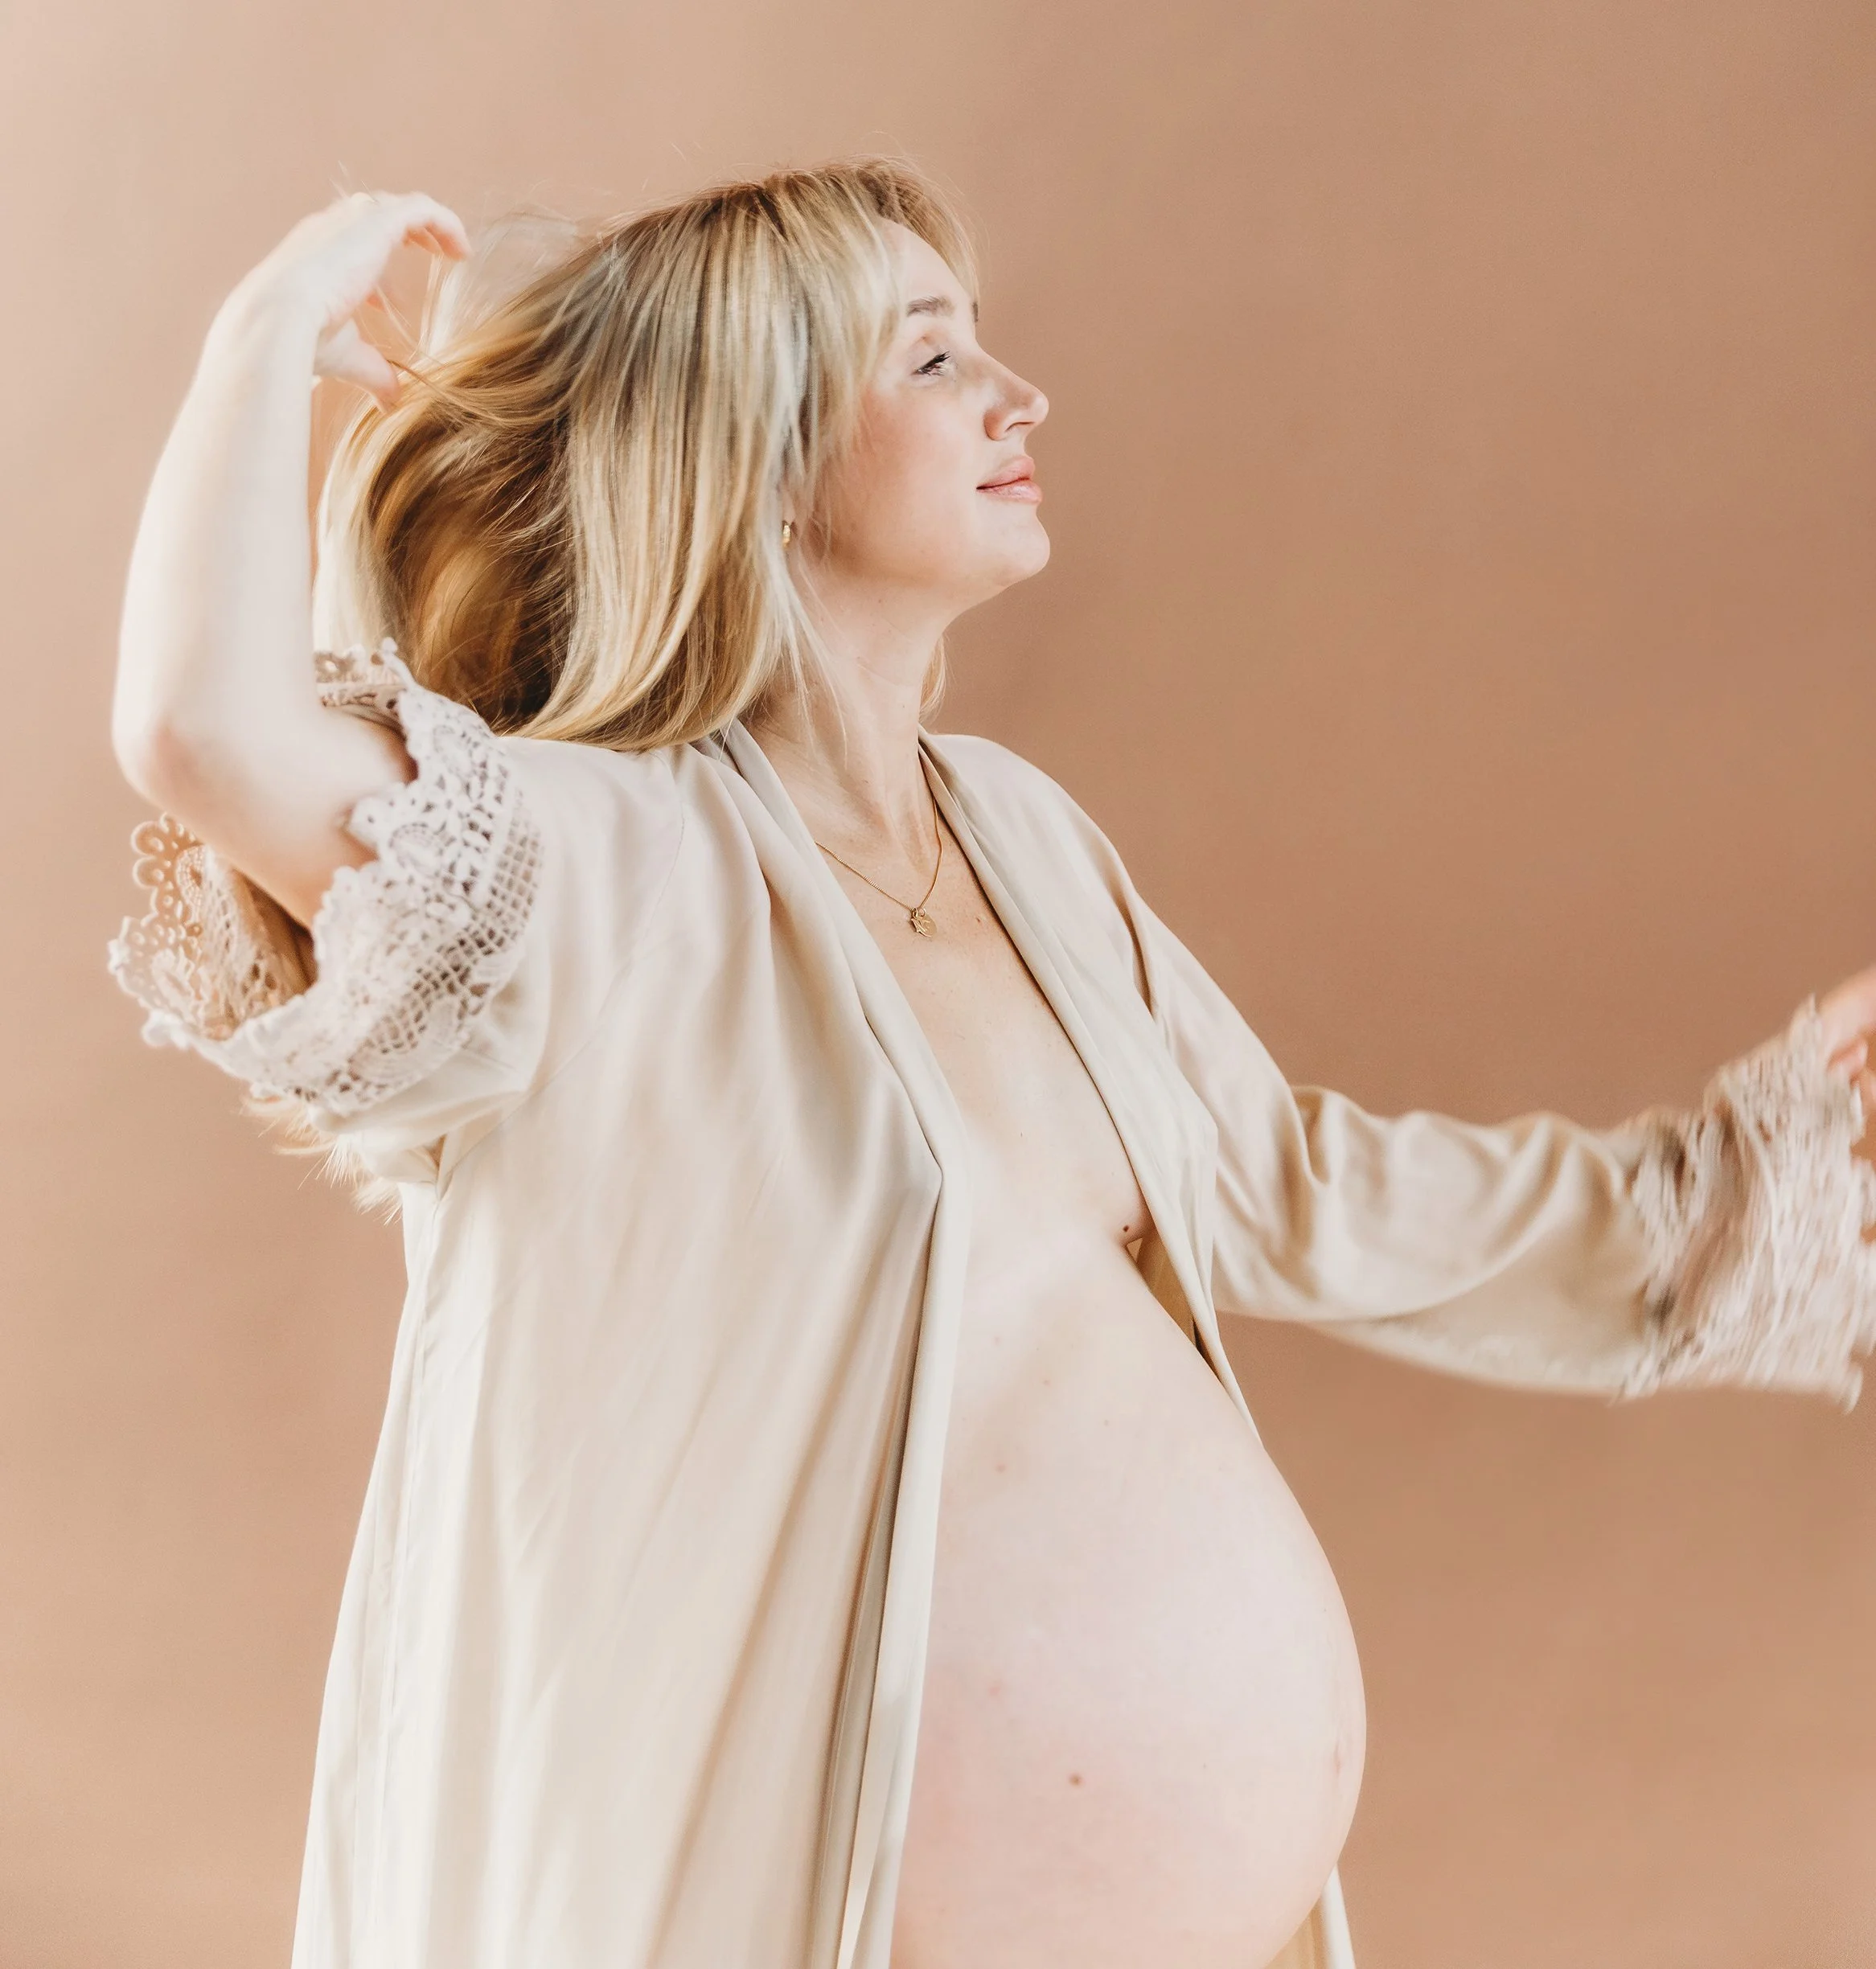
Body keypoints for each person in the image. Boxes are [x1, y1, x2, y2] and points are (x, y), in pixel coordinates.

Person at [106, 162, 1876, 1969]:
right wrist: (269, 330)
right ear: (759, 453)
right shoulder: (592, 867)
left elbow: (1281, 1180)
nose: (1017, 397)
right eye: (933, 358)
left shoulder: (1013, 837)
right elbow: (197, 729)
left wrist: (1753, 1186)